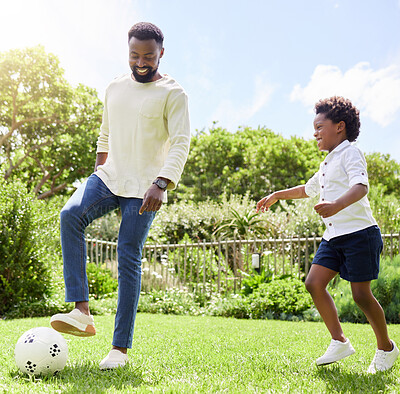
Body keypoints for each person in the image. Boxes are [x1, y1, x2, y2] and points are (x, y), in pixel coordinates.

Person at [50, 22, 191, 369]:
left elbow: (181, 142)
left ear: (161, 53)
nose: (140, 62)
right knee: (70, 215)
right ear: (127, 52)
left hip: (146, 187)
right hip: (110, 177)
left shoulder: (174, 94)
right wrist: (97, 172)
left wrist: (161, 183)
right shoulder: (114, 87)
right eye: (134, 55)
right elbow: (105, 134)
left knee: (128, 254)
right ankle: (81, 311)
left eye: (148, 56)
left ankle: (119, 349)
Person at [256, 96, 398, 373]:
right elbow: (306, 190)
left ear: (340, 127)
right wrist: (276, 195)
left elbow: (360, 187)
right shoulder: (327, 163)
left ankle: (386, 348)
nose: (315, 133)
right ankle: (340, 341)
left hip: (360, 234)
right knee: (314, 283)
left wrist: (335, 205)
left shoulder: (350, 152)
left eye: (320, 127)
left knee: (360, 295)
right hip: (334, 237)